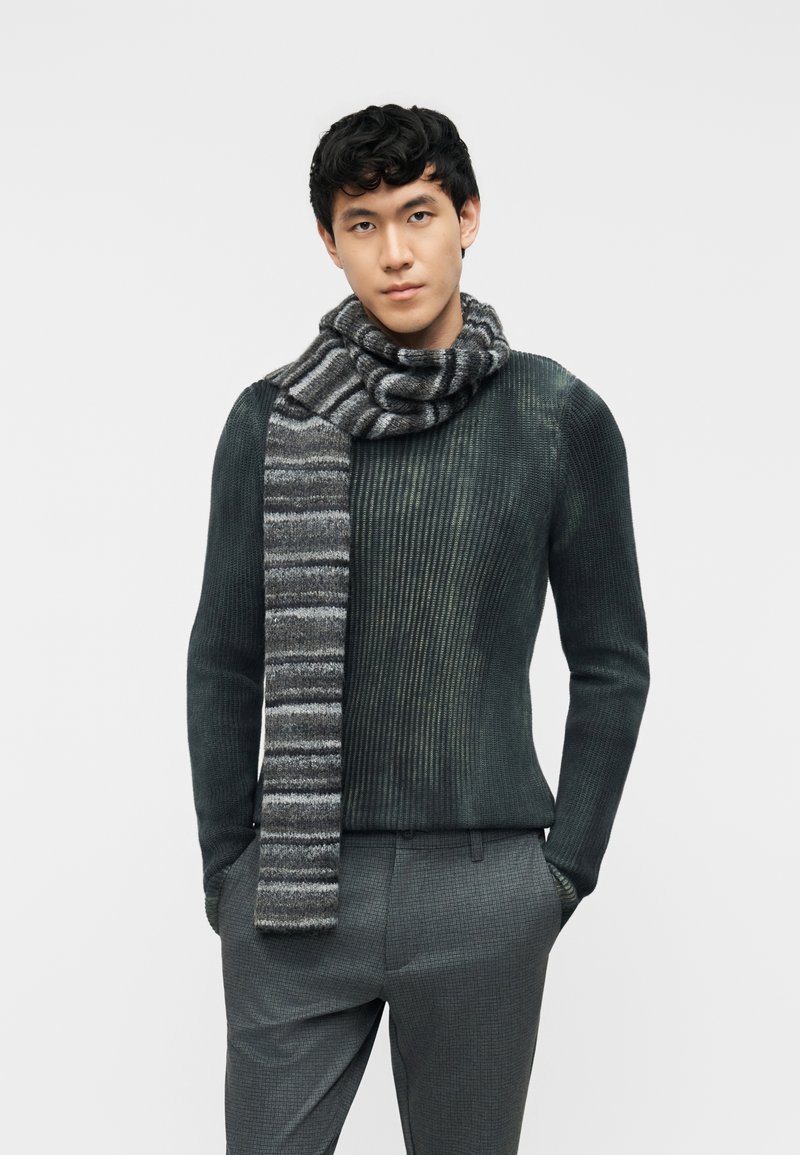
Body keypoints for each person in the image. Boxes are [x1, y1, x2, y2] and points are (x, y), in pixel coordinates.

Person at [187, 102, 650, 1155]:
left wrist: (562, 872)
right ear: (329, 240)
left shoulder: (554, 416)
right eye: (363, 223)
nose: (394, 252)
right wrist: (229, 867)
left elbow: (612, 662)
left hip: (483, 890)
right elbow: (223, 660)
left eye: (418, 213)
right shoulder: (271, 419)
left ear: (467, 217)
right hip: (294, 891)